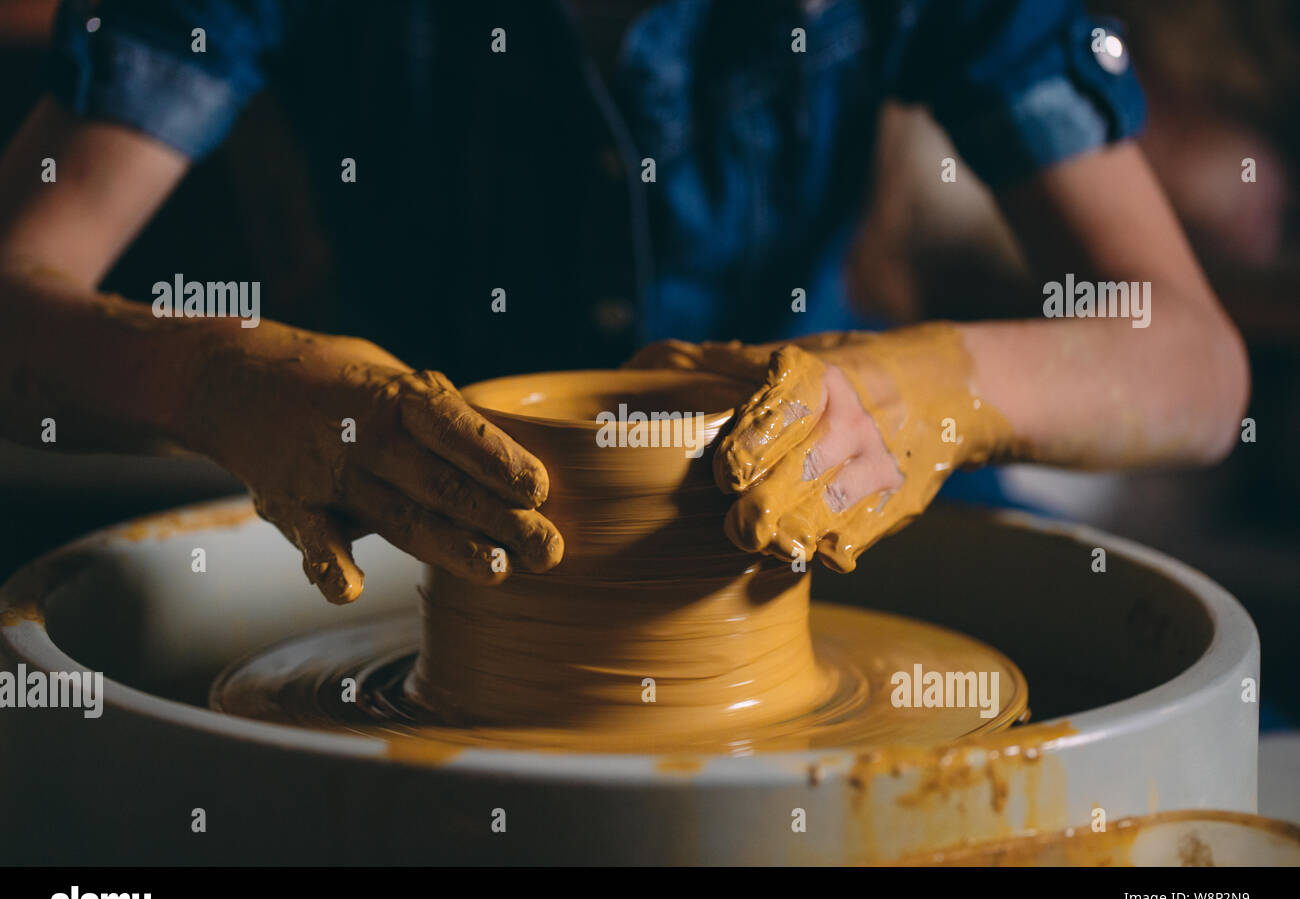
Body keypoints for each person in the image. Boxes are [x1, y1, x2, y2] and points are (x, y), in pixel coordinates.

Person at [0, 0, 1248, 604]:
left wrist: (922, 392)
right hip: (425, 541)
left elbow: (1195, 369)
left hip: (829, 510)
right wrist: (220, 381)